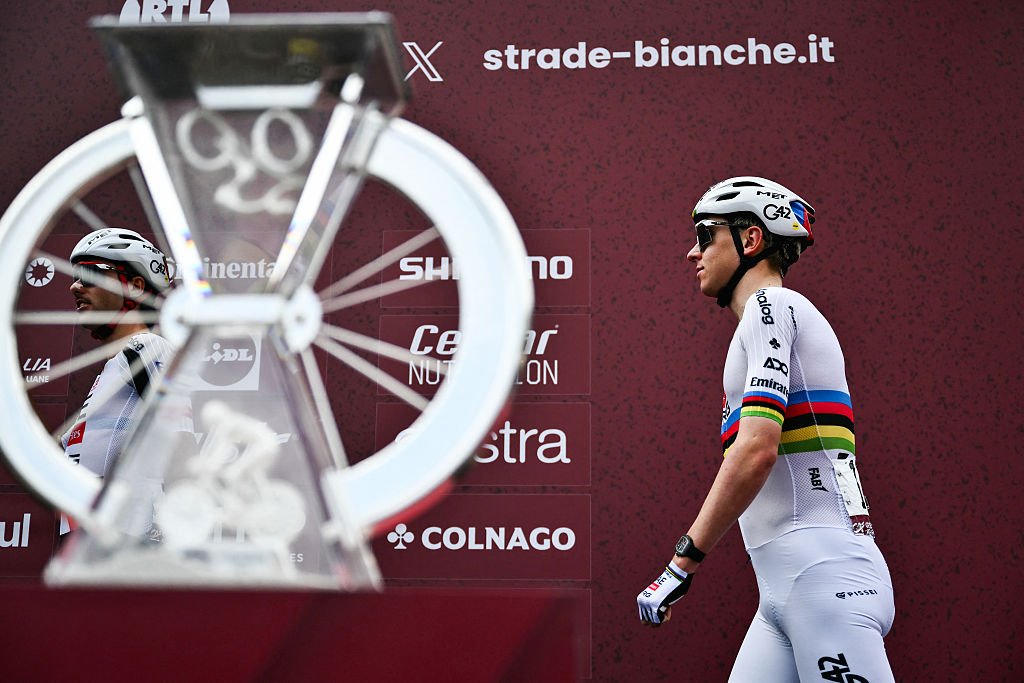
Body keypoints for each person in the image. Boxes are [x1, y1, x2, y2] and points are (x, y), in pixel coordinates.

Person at [636, 177, 895, 682]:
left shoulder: (771, 308)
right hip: (786, 593)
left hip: (823, 583)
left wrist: (680, 566)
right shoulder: (764, 322)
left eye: (705, 234)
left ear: (751, 240)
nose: (693, 252)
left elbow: (755, 452)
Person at [60, 227, 186, 535]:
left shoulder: (146, 348)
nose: (76, 286)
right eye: (75, 276)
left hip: (133, 543)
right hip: (95, 543)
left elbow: (181, 444)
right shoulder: (118, 364)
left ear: (135, 287)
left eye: (90, 275)